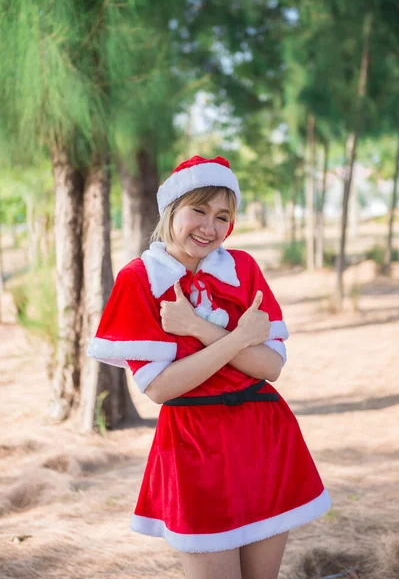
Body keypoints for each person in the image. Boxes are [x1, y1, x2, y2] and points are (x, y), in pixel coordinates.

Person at [87, 155, 331, 579]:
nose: (209, 227)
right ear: (171, 210)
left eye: (222, 216)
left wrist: (198, 329)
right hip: (193, 447)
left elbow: (269, 366)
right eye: (198, 210)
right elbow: (162, 388)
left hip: (265, 437)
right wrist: (239, 338)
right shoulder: (140, 279)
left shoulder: (243, 269)